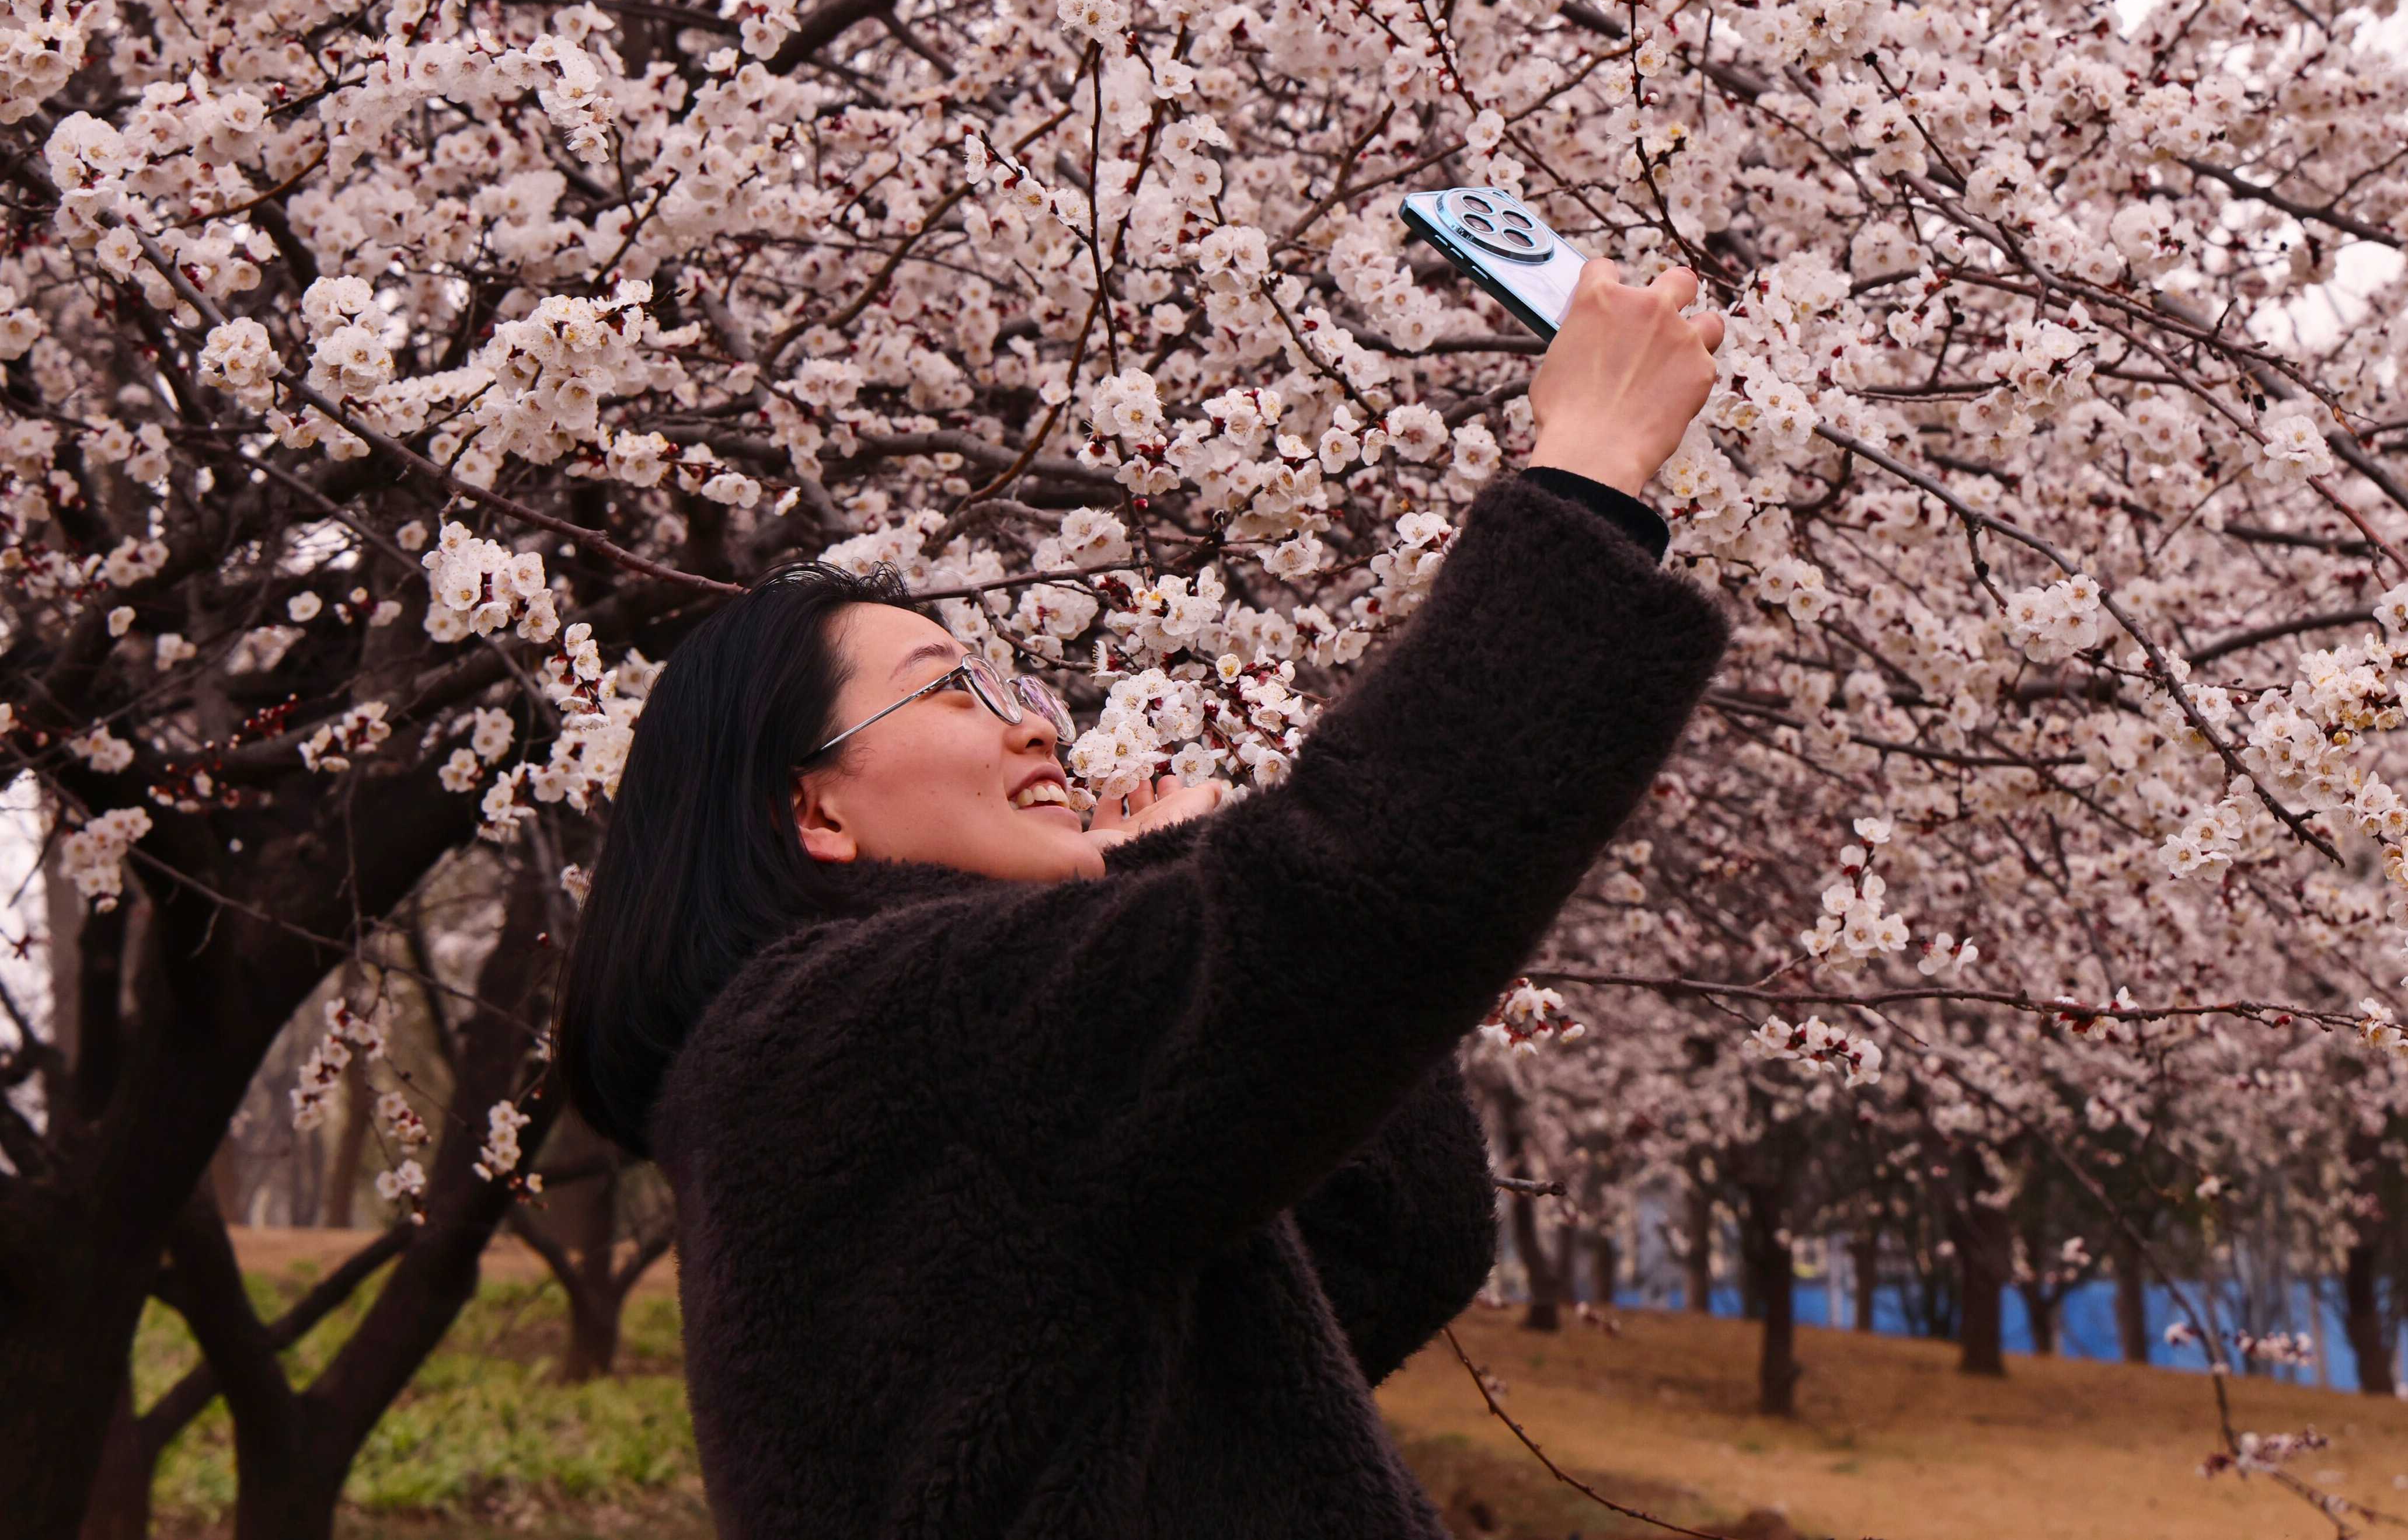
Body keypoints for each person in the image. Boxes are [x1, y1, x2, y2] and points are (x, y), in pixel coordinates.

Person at [556, 259, 1734, 1539]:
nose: (1036, 733)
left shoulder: (872, 1074)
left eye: (1028, 696)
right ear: (813, 809)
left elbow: (1392, 1240)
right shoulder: (849, 1035)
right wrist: (1583, 475)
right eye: (956, 690)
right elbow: (1350, 913)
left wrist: (1171, 872)